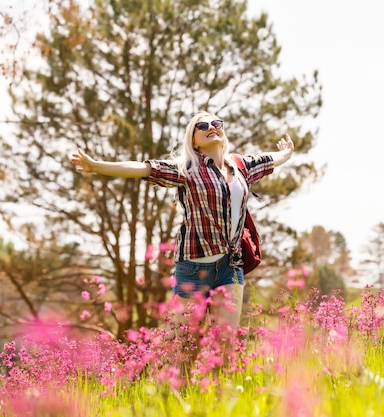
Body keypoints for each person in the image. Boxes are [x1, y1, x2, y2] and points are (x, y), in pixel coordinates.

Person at [70, 110, 294, 333]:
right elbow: (144, 168)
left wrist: (287, 153)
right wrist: (98, 166)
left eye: (216, 123)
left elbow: (270, 159)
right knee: (183, 347)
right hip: (193, 268)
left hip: (230, 267)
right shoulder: (187, 169)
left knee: (223, 346)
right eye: (203, 126)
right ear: (194, 141)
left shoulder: (241, 166)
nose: (211, 127)